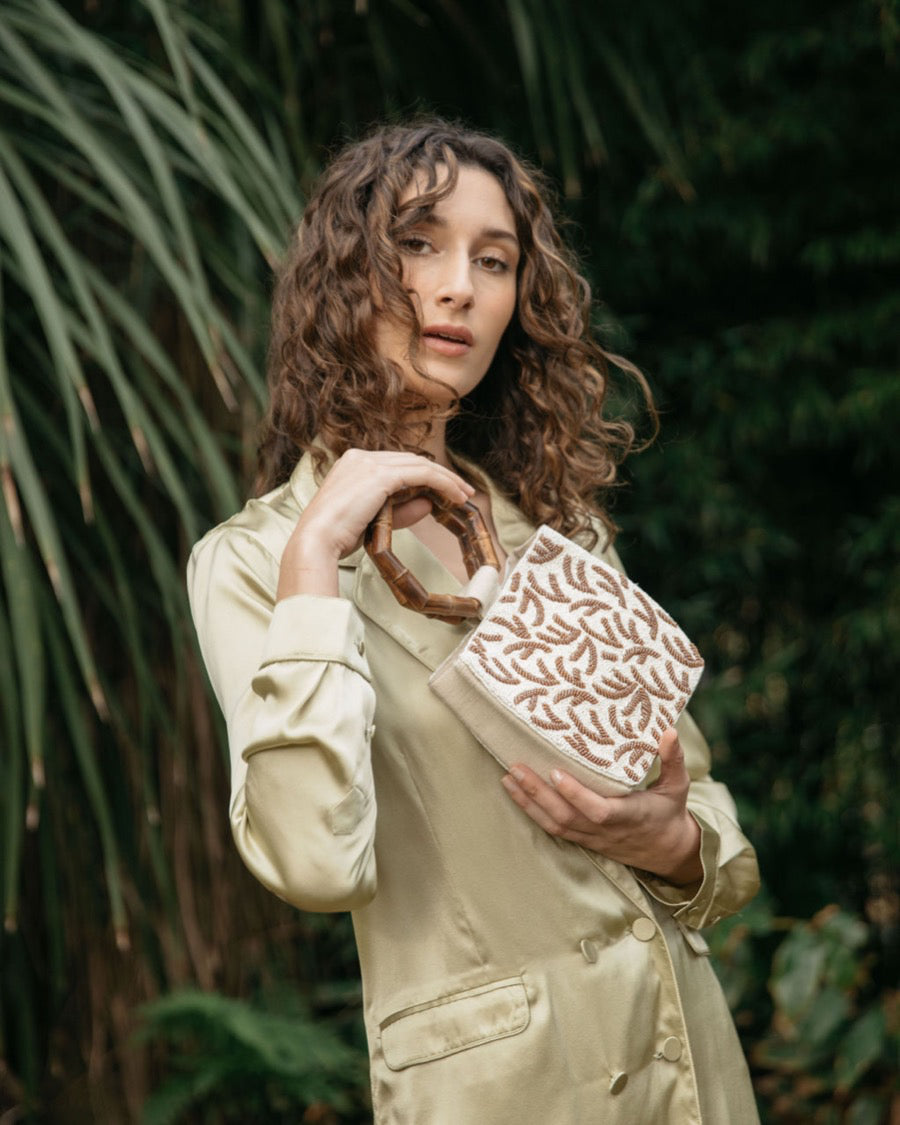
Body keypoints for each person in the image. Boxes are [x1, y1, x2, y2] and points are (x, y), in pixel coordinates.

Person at [187, 118, 761, 1124]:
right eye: (418, 244)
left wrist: (670, 840)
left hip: (690, 1070)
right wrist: (315, 559)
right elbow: (314, 863)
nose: (459, 286)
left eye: (494, 260)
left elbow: (706, 816)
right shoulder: (255, 562)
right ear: (343, 276)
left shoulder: (558, 527)